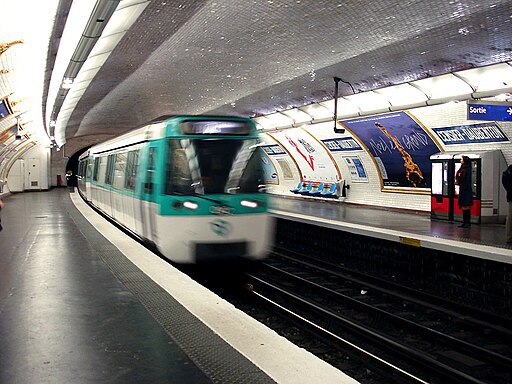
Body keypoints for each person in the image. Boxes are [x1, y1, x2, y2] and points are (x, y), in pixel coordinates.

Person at [455, 155, 473, 228]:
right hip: (463, 189)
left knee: (466, 207)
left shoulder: (467, 169)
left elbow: (467, 180)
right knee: (464, 207)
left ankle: (467, 222)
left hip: (466, 190)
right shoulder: (463, 168)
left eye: (461, 159)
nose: (460, 161)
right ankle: (465, 222)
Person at [502, 164, 512, 243]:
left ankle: (509, 237)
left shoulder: (507, 172)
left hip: (510, 197)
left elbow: (506, 185)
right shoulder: (508, 173)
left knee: (510, 217)